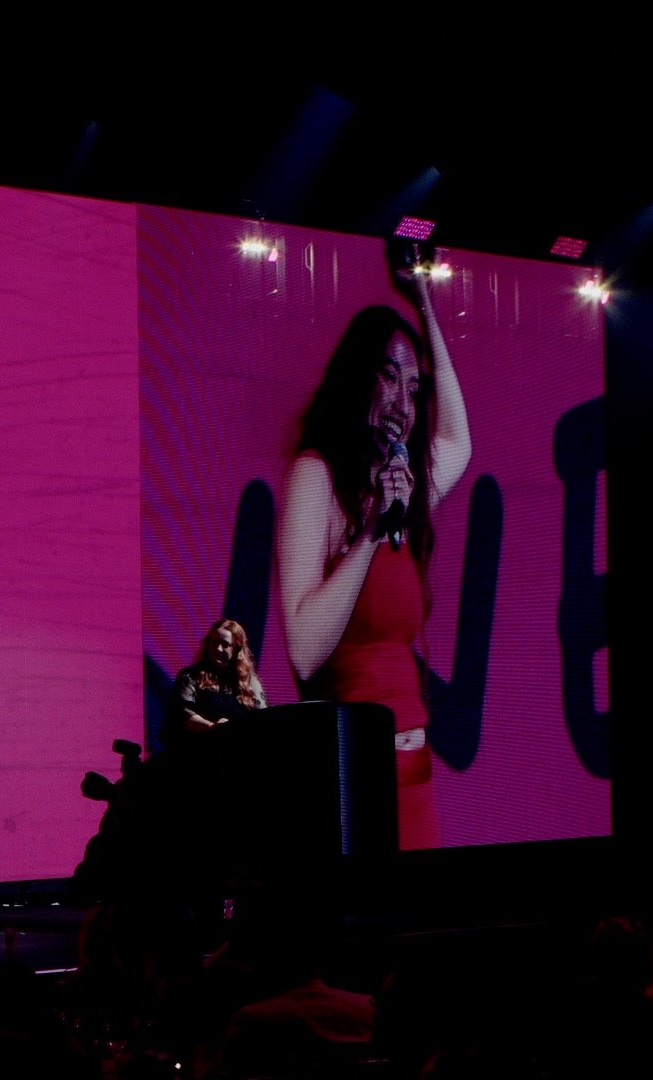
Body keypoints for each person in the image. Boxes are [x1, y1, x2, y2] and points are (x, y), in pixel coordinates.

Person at [277, 242, 470, 851]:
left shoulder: (403, 489)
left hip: (416, 777)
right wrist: (368, 533)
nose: (402, 405)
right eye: (388, 379)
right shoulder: (319, 478)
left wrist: (425, 301)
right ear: (356, 379)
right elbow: (305, 651)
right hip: (352, 782)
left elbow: (459, 442)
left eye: (413, 390)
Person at [164, 618, 266, 748]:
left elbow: (264, 718)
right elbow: (183, 714)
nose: (218, 649)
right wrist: (212, 727)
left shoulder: (250, 683)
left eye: (225, 644)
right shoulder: (190, 677)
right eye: (215, 642)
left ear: (236, 649)